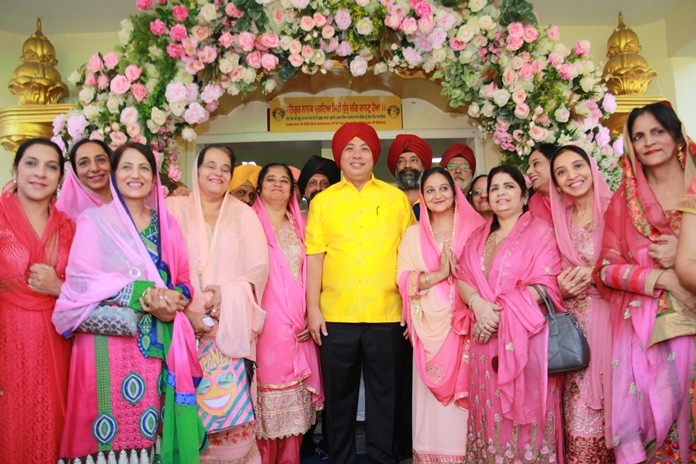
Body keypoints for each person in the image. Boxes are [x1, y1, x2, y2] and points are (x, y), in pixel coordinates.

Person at [54, 142, 204, 464]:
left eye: (144, 168)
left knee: (147, 432)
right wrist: (145, 295)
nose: (135, 175)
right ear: (114, 174)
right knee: (101, 431)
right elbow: (82, 283)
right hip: (103, 345)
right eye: (126, 167)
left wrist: (174, 298)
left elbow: (184, 281)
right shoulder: (95, 221)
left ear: (153, 178)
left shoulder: (168, 226)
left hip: (152, 345)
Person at [306, 122, 414, 464]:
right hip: (336, 316)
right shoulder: (323, 202)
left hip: (388, 313)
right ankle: (341, 459)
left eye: (364, 148)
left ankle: (383, 458)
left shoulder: (395, 198)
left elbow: (411, 254)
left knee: (386, 397)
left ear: (374, 156)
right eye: (349, 148)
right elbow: (315, 257)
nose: (357, 154)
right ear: (338, 157)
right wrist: (312, 309)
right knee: (340, 399)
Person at [595, 102, 696, 464]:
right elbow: (606, 269)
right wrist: (663, 276)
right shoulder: (625, 202)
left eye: (657, 132)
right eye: (638, 136)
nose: (648, 142)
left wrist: (683, 258)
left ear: (676, 135)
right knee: (659, 425)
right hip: (648, 332)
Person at [165, 146, 269, 463]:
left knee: (229, 414)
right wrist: (188, 310)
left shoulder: (244, 214)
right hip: (179, 327)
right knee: (183, 412)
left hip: (228, 330)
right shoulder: (172, 207)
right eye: (210, 165)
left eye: (225, 168)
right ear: (196, 171)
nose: (217, 173)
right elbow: (158, 263)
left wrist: (227, 294)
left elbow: (257, 272)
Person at [456, 165, 564, 463]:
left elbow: (546, 283)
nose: (500, 193)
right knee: (488, 415)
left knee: (523, 419)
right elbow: (462, 276)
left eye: (508, 186)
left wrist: (496, 316)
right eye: (494, 188)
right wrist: (477, 304)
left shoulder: (541, 231)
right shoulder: (479, 236)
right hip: (483, 344)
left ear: (524, 194)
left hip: (524, 341)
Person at [397, 167, 484, 461]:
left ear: (455, 191)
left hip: (468, 327)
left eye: (443, 188)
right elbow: (402, 279)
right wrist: (439, 274)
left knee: (467, 399)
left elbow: (486, 275)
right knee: (432, 409)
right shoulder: (411, 234)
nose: (437, 195)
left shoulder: (477, 230)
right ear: (422, 196)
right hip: (427, 327)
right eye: (430, 190)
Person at [0, 138, 76, 462]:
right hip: (7, 342)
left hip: (57, 343)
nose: (40, 173)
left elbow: (89, 289)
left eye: (51, 166)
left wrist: (60, 287)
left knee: (53, 430)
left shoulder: (70, 227)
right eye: (31, 163)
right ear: (15, 170)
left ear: (60, 177)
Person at [252, 163, 324, 463]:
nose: (278, 185)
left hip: (300, 327)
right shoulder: (247, 222)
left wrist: (312, 310)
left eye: (285, 181)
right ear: (259, 188)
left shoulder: (303, 225)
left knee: (294, 421)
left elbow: (317, 271)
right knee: (264, 411)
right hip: (263, 328)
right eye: (271, 180)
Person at [548, 145, 615, 463]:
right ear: (556, 184)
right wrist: (558, 285)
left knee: (617, 403)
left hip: (616, 322)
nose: (571, 175)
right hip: (573, 332)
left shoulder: (617, 209)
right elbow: (547, 270)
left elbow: (636, 261)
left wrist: (596, 273)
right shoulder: (559, 221)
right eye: (561, 172)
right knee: (576, 409)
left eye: (577, 166)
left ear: (592, 167)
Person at [56, 138, 113, 220]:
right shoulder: (63, 214)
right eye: (84, 163)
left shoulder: (130, 200)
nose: (94, 168)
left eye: (101, 160)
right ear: (74, 172)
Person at [387, 134, 433, 220]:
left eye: (414, 160)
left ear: (423, 165)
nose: (407, 165)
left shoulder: (435, 199)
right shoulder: (386, 200)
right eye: (401, 161)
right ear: (396, 167)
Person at [526, 143, 557, 223]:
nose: (528, 171)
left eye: (536, 164)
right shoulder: (530, 204)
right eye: (529, 166)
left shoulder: (575, 194)